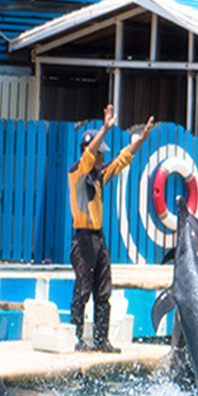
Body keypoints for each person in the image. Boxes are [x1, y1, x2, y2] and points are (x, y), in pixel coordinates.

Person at [69, 103, 155, 352]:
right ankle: (77, 338)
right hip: (83, 240)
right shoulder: (76, 173)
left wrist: (142, 139)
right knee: (83, 288)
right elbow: (88, 157)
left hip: (98, 239)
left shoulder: (99, 176)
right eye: (99, 153)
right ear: (88, 151)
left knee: (103, 290)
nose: (103, 157)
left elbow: (123, 159)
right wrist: (106, 128)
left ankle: (101, 340)